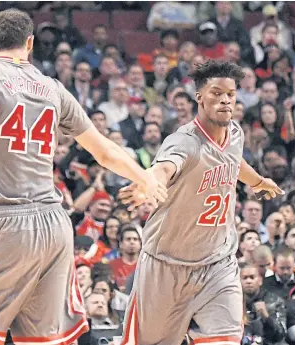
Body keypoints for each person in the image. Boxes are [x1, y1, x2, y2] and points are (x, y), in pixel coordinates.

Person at [0, 8, 166, 345]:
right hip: (53, 223)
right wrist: (144, 178)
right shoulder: (52, 87)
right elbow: (104, 150)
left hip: (3, 221)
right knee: (44, 340)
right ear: (30, 43)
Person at [118, 60, 284, 345]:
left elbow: (234, 160)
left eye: (230, 94)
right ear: (199, 98)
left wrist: (256, 181)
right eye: (216, 93)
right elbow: (166, 166)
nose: (224, 100)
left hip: (218, 262)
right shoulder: (184, 142)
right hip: (166, 265)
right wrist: (152, 181)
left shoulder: (235, 133)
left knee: (226, 339)